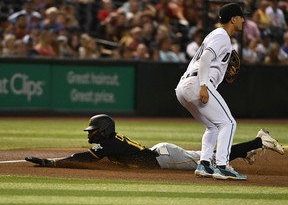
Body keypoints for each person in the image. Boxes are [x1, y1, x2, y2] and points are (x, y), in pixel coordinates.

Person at [25, 114, 284, 173]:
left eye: (93, 130)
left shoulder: (109, 144)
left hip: (164, 157)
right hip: (162, 153)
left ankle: (258, 141)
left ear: (103, 131)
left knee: (214, 160)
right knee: (212, 156)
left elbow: (83, 156)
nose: (89, 134)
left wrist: (51, 163)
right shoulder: (110, 142)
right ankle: (251, 148)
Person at [175, 3, 249, 180]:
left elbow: (209, 60)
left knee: (213, 126)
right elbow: (206, 59)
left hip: (183, 87)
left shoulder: (216, 36)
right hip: (196, 83)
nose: (243, 20)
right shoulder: (222, 35)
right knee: (228, 123)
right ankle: (222, 166)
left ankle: (205, 164)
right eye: (241, 16)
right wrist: (203, 86)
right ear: (233, 19)